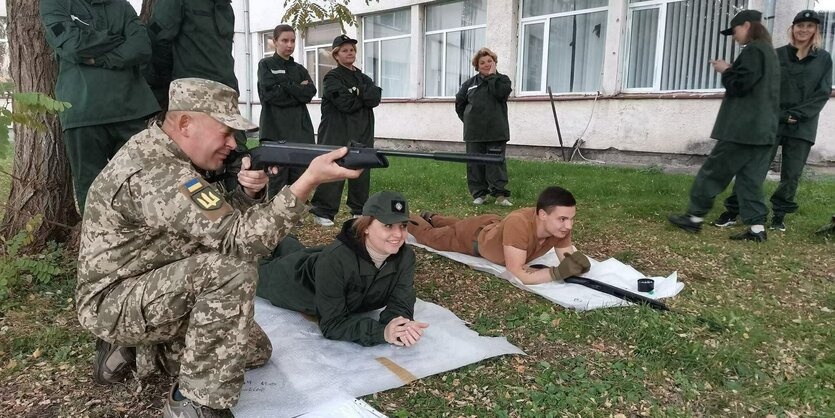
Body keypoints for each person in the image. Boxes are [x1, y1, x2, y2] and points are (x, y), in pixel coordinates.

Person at [76, 78, 361, 417]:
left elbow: (212, 227)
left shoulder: (164, 154)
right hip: (113, 301)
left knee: (254, 350)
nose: (231, 143)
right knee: (230, 270)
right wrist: (307, 182)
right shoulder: (159, 173)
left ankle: (136, 350)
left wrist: (248, 195)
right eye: (225, 133)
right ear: (186, 124)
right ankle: (196, 403)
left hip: (150, 280)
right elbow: (241, 242)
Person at [257, 191, 429, 347]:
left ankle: (284, 239)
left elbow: (401, 301)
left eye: (403, 226)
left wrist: (399, 326)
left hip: (318, 263)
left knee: (291, 246)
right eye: (388, 226)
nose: (398, 235)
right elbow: (332, 324)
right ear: (367, 226)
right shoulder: (335, 260)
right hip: (295, 282)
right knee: (246, 271)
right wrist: (381, 332)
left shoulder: (405, 257)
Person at [714, 10, 833, 232]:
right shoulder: (775, 54)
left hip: (802, 125)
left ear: (815, 30)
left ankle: (779, 215)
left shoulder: (824, 59)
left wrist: (796, 114)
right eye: (800, 25)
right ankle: (733, 210)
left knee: (791, 174)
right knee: (753, 168)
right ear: (792, 28)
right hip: (771, 121)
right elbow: (762, 86)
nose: (803, 30)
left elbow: (822, 92)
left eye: (809, 26)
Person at [668, 9, 780, 242]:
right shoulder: (769, 52)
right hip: (763, 130)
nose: (734, 36)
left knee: (713, 173)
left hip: (742, 128)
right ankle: (757, 230)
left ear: (747, 25)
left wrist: (726, 69)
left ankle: (693, 218)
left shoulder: (754, 50)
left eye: (735, 31)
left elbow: (740, 84)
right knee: (750, 180)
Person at [39, 0, 160, 214]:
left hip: (130, 109)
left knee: (141, 187)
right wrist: (118, 41)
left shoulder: (120, 6)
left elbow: (141, 47)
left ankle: (142, 244)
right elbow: (73, 47)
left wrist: (100, 58)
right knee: (93, 193)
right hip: (84, 112)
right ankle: (98, 246)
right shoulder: (55, 3)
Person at [408, 186, 590, 285]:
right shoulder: (519, 224)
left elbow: (568, 258)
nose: (569, 225)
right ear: (543, 214)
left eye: (571, 219)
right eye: (563, 219)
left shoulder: (559, 227)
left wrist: (579, 264)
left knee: (457, 225)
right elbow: (517, 272)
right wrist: (556, 273)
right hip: (470, 238)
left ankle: (433, 217)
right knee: (429, 236)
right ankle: (408, 217)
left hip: (491, 227)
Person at [309, 35, 382, 227]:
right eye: (344, 50)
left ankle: (359, 210)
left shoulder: (363, 77)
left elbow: (376, 97)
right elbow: (345, 103)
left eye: (352, 50)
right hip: (336, 130)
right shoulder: (332, 77)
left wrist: (357, 92)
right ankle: (323, 211)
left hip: (362, 130)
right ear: (336, 55)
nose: (349, 53)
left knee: (362, 168)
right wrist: (361, 94)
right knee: (334, 169)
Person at [257, 24, 317, 197]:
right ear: (274, 42)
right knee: (277, 177)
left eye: (292, 41)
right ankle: (276, 219)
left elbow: (308, 94)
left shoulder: (299, 69)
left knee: (299, 177)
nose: (289, 45)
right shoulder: (266, 65)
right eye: (284, 40)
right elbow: (270, 94)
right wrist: (297, 89)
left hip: (300, 131)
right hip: (276, 131)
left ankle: (293, 218)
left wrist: (283, 84)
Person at [144, 0, 238, 108]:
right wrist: (163, 82)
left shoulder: (226, 7)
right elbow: (157, 37)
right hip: (193, 93)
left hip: (225, 93)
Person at [455, 47, 513, 207]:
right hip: (474, 133)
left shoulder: (503, 80)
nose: (486, 64)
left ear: (494, 62)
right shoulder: (469, 84)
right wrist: (468, 120)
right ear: (477, 66)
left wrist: (493, 77)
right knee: (474, 164)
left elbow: (501, 94)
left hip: (496, 131)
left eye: (489, 61)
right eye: (482, 62)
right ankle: (479, 194)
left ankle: (500, 195)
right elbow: (460, 103)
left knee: (496, 164)